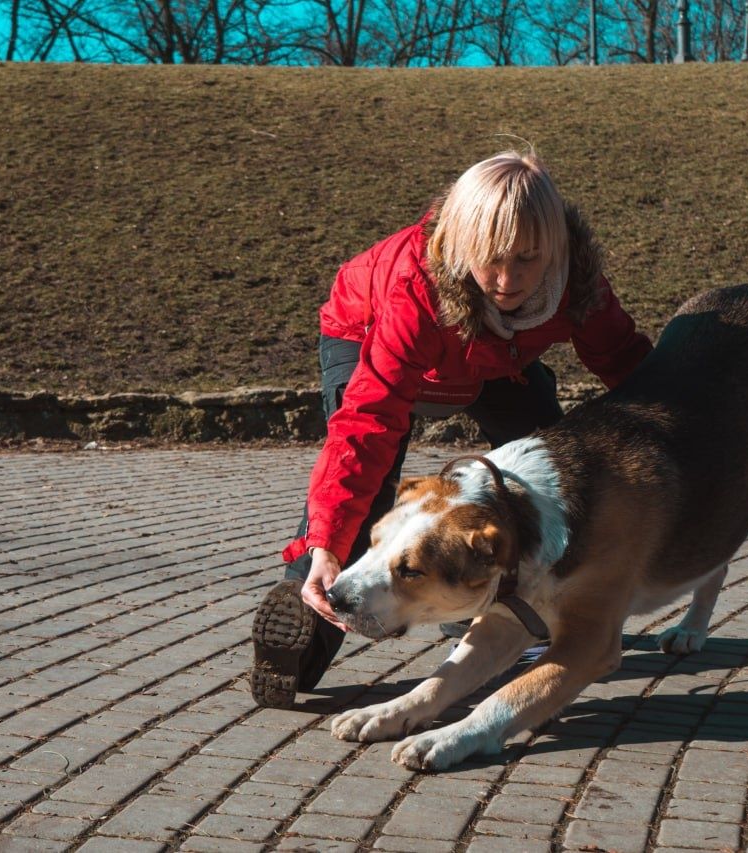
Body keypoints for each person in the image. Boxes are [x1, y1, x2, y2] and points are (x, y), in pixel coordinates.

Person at [250, 150, 653, 709]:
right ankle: (298, 639)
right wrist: (324, 542)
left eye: (528, 260)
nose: (507, 281)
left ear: (556, 249)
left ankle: (489, 602)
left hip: (489, 359)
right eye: (489, 261)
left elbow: (627, 364)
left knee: (550, 464)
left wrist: (692, 425)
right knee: (368, 485)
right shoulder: (416, 284)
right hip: (370, 336)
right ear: (461, 242)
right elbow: (366, 427)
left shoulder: (578, 281)